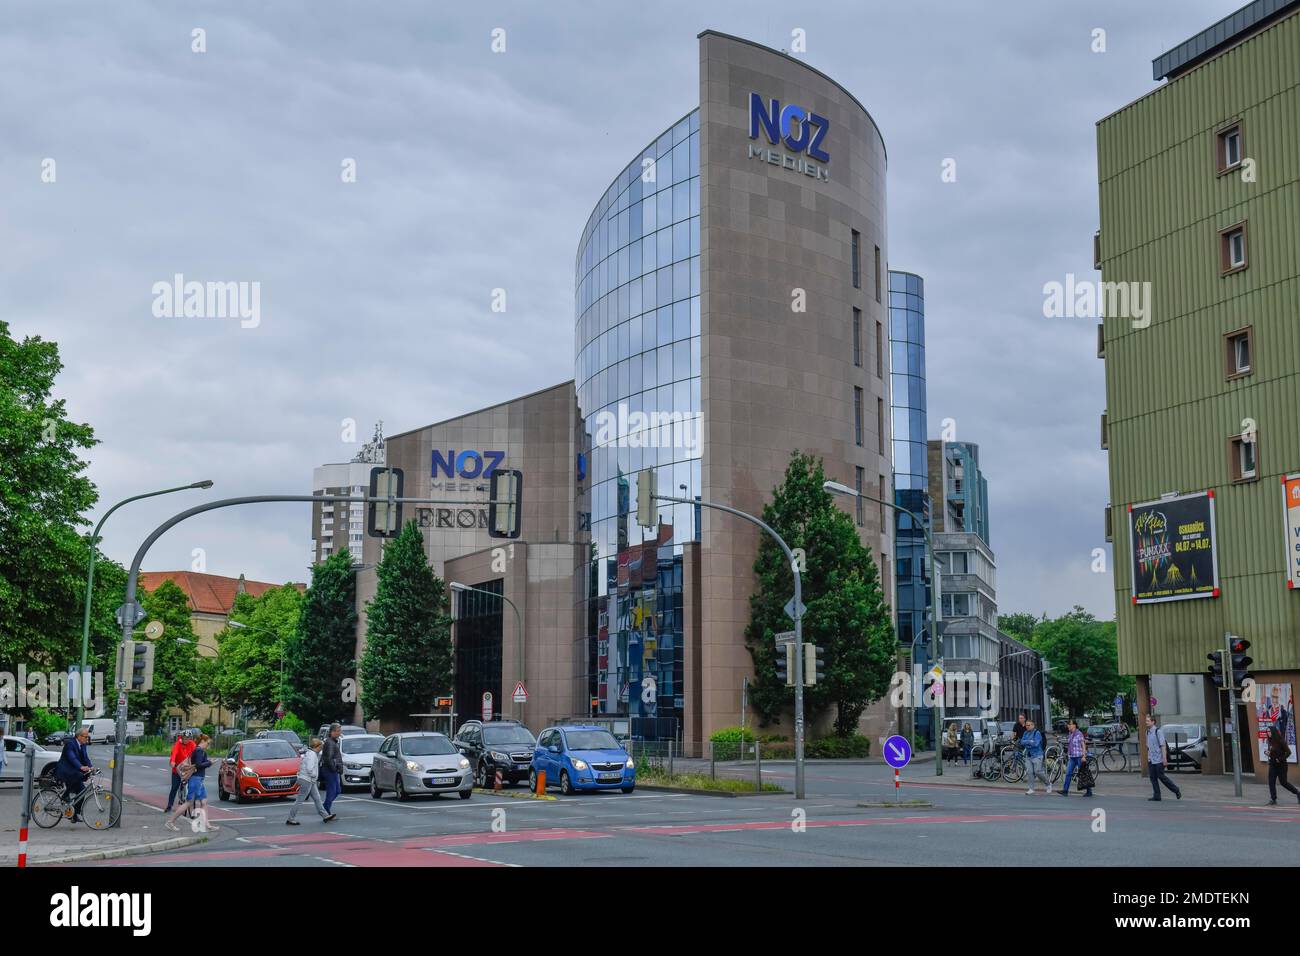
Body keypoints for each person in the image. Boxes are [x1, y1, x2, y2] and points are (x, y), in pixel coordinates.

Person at [166, 733, 218, 832]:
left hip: (199, 780)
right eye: (208, 743)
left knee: (204, 801)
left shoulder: (200, 751)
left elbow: (199, 764)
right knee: (189, 802)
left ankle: (207, 824)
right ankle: (170, 822)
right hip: (195, 780)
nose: (208, 745)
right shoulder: (198, 750)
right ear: (202, 741)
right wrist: (209, 763)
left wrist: (208, 762)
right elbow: (198, 765)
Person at [287, 737, 336, 825]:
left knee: (317, 798)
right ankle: (291, 818)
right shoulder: (312, 755)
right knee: (300, 800)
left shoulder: (311, 753)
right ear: (317, 747)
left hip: (309, 779)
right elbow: (309, 769)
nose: (321, 748)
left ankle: (325, 815)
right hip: (307, 779)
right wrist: (314, 775)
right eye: (321, 747)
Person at [55, 727, 94, 822]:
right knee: (79, 776)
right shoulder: (70, 744)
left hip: (73, 772)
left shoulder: (83, 745)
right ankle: (65, 795)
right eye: (85, 737)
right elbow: (72, 758)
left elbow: (85, 758)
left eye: (87, 737)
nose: (87, 739)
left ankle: (74, 814)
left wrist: (91, 767)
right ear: (79, 736)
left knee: (82, 791)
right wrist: (81, 767)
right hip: (65, 772)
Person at [1145, 715, 1182, 801]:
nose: (1146, 722)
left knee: (1161, 776)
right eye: (1146, 721)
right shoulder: (1147, 732)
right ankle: (1157, 795)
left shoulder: (1158, 731)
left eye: (1148, 721)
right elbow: (1148, 746)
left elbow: (1163, 746)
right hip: (1151, 759)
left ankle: (1176, 790)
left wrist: (1164, 759)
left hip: (1159, 759)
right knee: (1153, 778)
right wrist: (1148, 757)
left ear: (1153, 722)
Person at [1058, 718, 1092, 797]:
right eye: (1068, 724)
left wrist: (1084, 756)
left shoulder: (1079, 734)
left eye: (1070, 724)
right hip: (1072, 757)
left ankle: (1089, 791)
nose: (1068, 726)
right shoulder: (1070, 734)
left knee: (1083, 774)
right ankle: (1065, 790)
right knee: (1068, 773)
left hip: (1079, 757)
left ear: (1074, 725)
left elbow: (1083, 745)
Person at [164, 730, 196, 813]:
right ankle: (169, 806)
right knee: (174, 788)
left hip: (188, 769)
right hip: (177, 769)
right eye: (185, 738)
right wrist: (172, 761)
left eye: (188, 738)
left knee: (192, 787)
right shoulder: (178, 744)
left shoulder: (192, 744)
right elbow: (174, 753)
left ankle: (192, 806)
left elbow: (196, 753)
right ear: (182, 738)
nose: (187, 740)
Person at [1266, 726, 1299, 806]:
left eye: (1269, 732)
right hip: (1273, 764)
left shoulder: (1281, 741)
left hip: (1282, 765)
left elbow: (1288, 752)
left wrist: (1280, 759)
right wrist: (1268, 753)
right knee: (1271, 781)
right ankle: (1273, 799)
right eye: (1267, 732)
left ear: (1273, 732)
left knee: (1283, 782)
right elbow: (1272, 753)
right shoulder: (1270, 741)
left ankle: (1298, 793)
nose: (1268, 733)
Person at [1021, 719, 1050, 794]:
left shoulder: (1037, 733)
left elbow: (1036, 744)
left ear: (1033, 725)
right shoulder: (1025, 733)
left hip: (1037, 755)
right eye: (1026, 725)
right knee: (1030, 772)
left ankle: (1048, 784)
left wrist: (1027, 742)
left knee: (1037, 772)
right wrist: (1029, 741)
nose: (1027, 726)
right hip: (1029, 755)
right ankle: (1031, 788)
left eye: (1029, 725)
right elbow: (1022, 742)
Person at [320, 723, 344, 815]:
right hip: (330, 770)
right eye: (338, 731)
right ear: (332, 732)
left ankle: (325, 807)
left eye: (339, 731)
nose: (339, 733)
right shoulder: (330, 743)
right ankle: (325, 809)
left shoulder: (332, 742)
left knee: (337, 790)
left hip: (333, 770)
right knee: (333, 791)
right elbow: (328, 758)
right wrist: (334, 769)